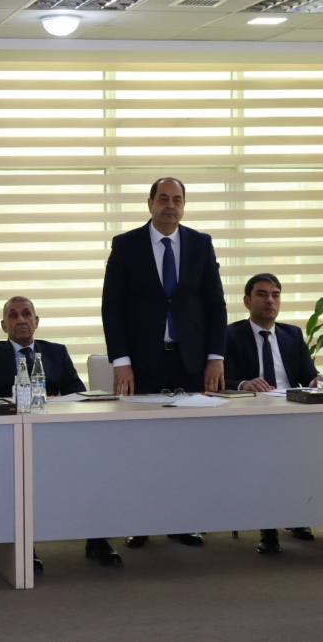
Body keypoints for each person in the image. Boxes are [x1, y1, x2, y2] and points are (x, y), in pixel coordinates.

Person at [101, 177, 227, 549]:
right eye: (163, 199)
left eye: (177, 199)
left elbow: (215, 304)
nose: (170, 206)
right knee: (141, 446)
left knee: (186, 447)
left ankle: (181, 520)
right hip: (143, 363)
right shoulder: (126, 245)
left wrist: (215, 357)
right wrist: (121, 361)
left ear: (184, 205)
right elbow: (112, 307)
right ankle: (140, 521)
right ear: (150, 203)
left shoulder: (200, 244)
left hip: (190, 362)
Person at [0, 296, 119, 569]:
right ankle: (24, 546)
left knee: (91, 465)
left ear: (36, 321)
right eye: (13, 315)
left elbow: (77, 394)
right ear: (3, 325)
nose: (20, 320)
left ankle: (96, 537)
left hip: (55, 436)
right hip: (7, 440)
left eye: (26, 314)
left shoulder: (56, 352)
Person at [224, 272, 319, 554]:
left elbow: (308, 375)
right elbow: (218, 380)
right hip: (251, 416)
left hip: (290, 412)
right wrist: (243, 384)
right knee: (267, 458)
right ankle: (268, 527)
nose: (270, 301)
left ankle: (295, 515)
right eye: (262, 294)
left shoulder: (292, 334)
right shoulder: (230, 335)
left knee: (307, 453)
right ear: (247, 301)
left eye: (275, 295)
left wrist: (317, 381)